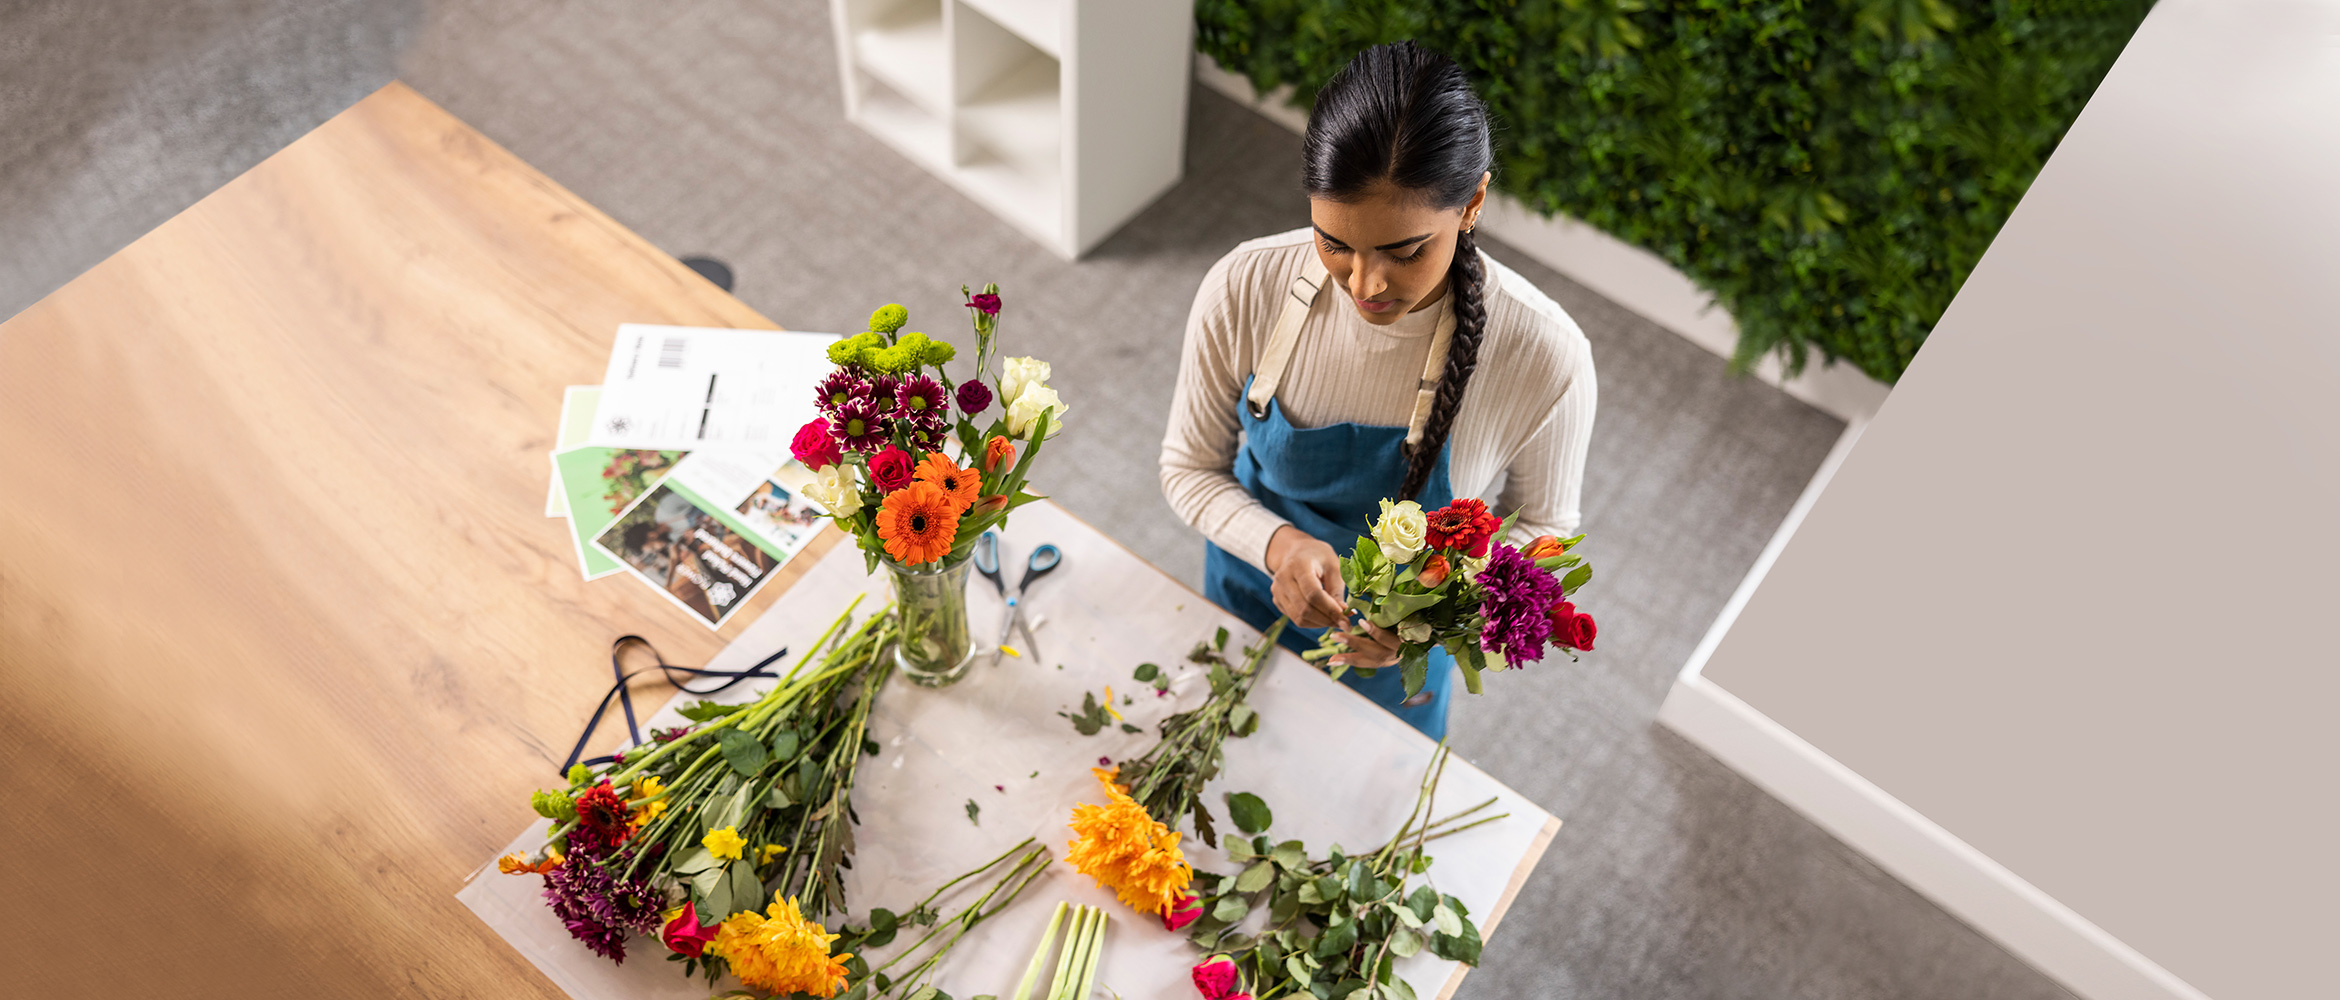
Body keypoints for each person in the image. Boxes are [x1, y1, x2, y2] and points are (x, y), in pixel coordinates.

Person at [1160, 41, 1597, 740]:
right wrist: (1277, 545)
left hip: (1396, 666)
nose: (1365, 286)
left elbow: (1545, 532)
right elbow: (1188, 468)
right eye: (1333, 242)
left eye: (1405, 251)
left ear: (1473, 201)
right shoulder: (1245, 286)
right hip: (1247, 593)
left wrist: (1425, 632)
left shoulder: (1546, 356)